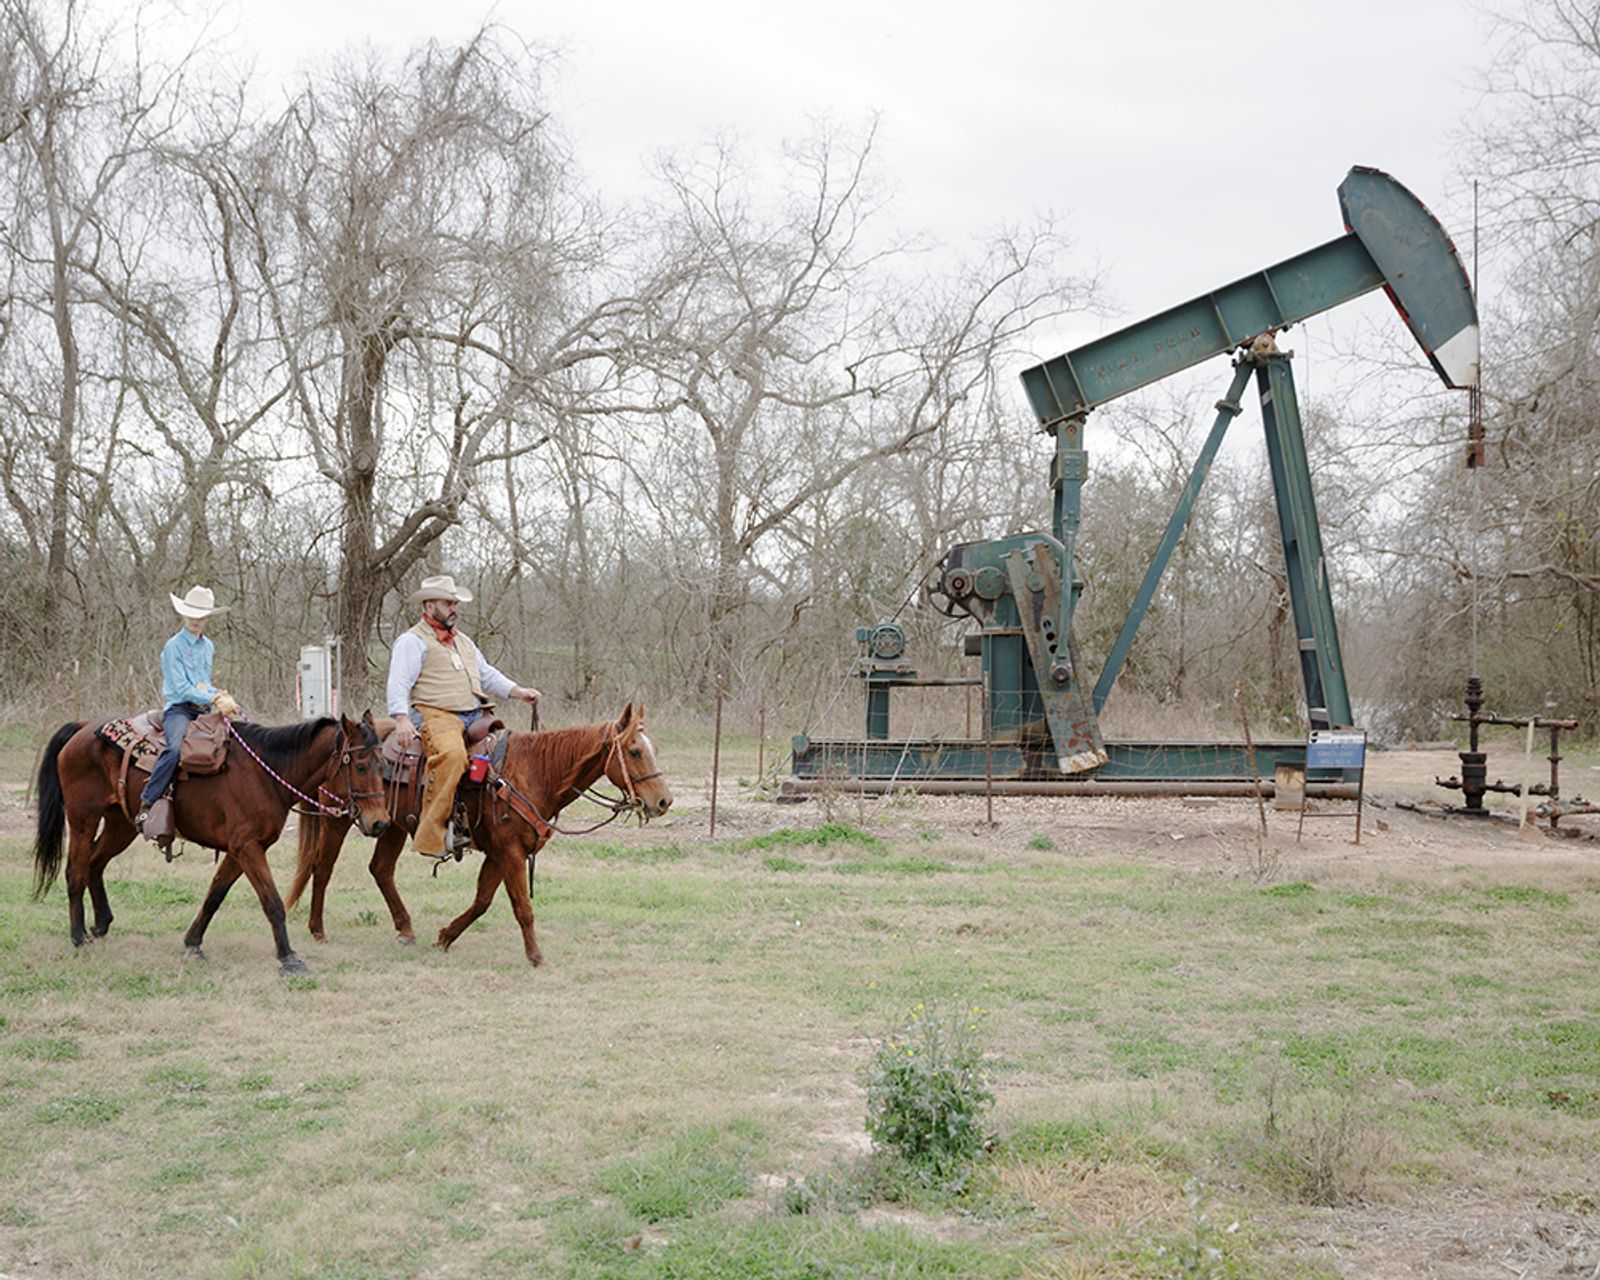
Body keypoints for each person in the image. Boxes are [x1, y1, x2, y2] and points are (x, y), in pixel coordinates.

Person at [386, 574, 540, 856]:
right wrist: (401, 718)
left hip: (476, 715)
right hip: (436, 715)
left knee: (507, 756)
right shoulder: (412, 641)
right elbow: (398, 682)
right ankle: (432, 837)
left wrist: (517, 691)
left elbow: (486, 674)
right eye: (448, 603)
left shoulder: (464, 642)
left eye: (455, 602)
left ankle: (481, 825)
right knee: (453, 757)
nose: (454, 608)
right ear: (430, 605)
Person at [136, 585, 240, 843]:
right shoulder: (173, 647)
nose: (195, 619)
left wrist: (222, 697)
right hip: (180, 709)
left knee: (235, 743)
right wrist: (213, 697)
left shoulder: (208, 647)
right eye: (191, 613)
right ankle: (148, 802)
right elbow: (182, 688)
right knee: (173, 750)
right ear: (183, 615)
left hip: (204, 708)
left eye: (201, 615)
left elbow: (202, 682)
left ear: (207, 618)